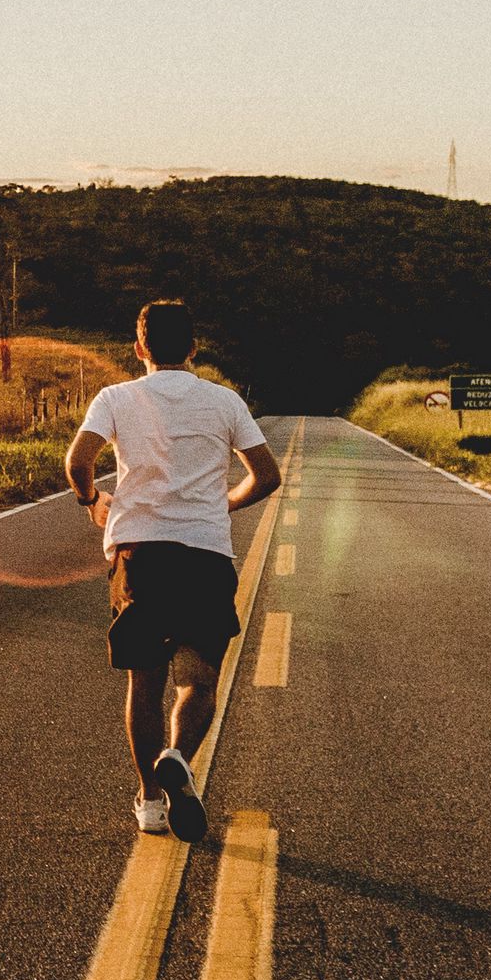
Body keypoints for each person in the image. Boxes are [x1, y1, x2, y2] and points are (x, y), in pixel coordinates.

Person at [66, 301, 279, 842]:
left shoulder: (116, 398)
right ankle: (178, 756)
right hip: (204, 555)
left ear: (139, 348)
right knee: (199, 680)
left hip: (139, 555)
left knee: (146, 680)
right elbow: (267, 476)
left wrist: (93, 499)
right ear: (193, 347)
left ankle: (151, 801)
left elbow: (78, 461)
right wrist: (222, 504)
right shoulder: (224, 401)